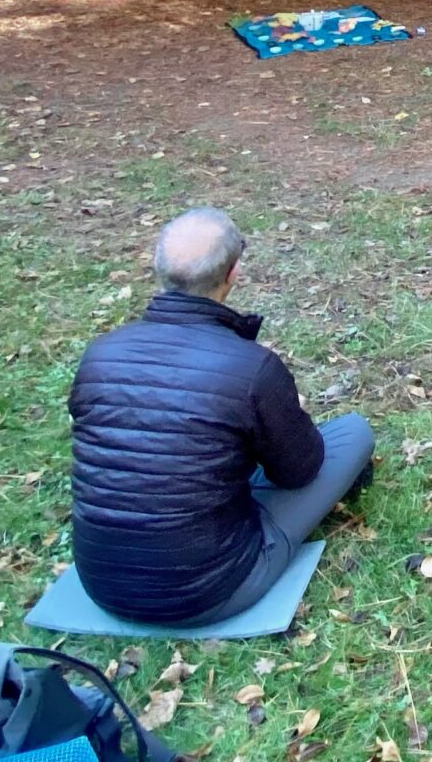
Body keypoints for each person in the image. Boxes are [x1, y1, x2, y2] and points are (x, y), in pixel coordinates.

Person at [68, 208, 375, 626]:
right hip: (211, 589)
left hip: (100, 581)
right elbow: (300, 472)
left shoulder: (99, 354)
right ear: (233, 274)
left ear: (157, 269)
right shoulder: (252, 368)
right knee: (353, 434)